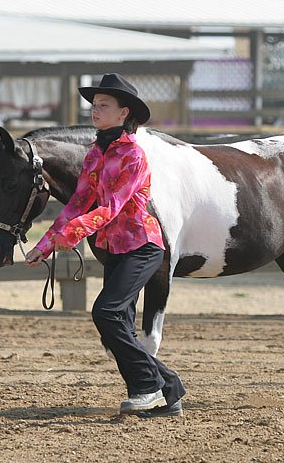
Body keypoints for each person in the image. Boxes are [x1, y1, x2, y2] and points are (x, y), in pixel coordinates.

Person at [24, 74, 185, 418]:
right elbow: (76, 203)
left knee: (106, 313)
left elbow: (109, 208)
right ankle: (168, 390)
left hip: (142, 246)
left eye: (103, 106)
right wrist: (46, 244)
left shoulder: (132, 156)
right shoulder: (96, 154)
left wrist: (70, 236)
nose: (94, 111)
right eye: (93, 105)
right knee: (118, 325)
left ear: (123, 112)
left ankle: (146, 388)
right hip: (115, 249)